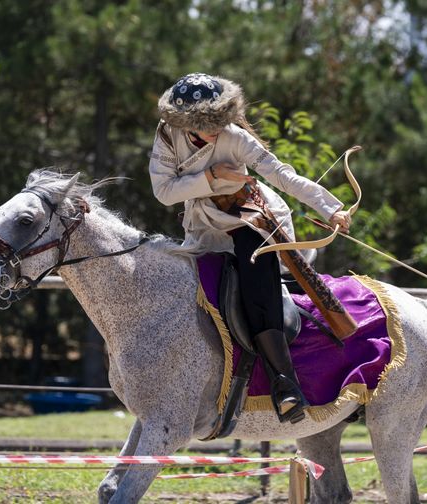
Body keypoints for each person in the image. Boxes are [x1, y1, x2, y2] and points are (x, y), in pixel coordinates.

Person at [148, 73, 352, 423]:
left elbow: (282, 174)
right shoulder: (168, 136)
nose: (218, 132)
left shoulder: (235, 137)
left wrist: (330, 207)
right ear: (187, 124)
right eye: (208, 126)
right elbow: (163, 192)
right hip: (203, 228)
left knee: (257, 283)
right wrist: (212, 180)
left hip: (249, 218)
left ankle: (285, 384)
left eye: (221, 124)